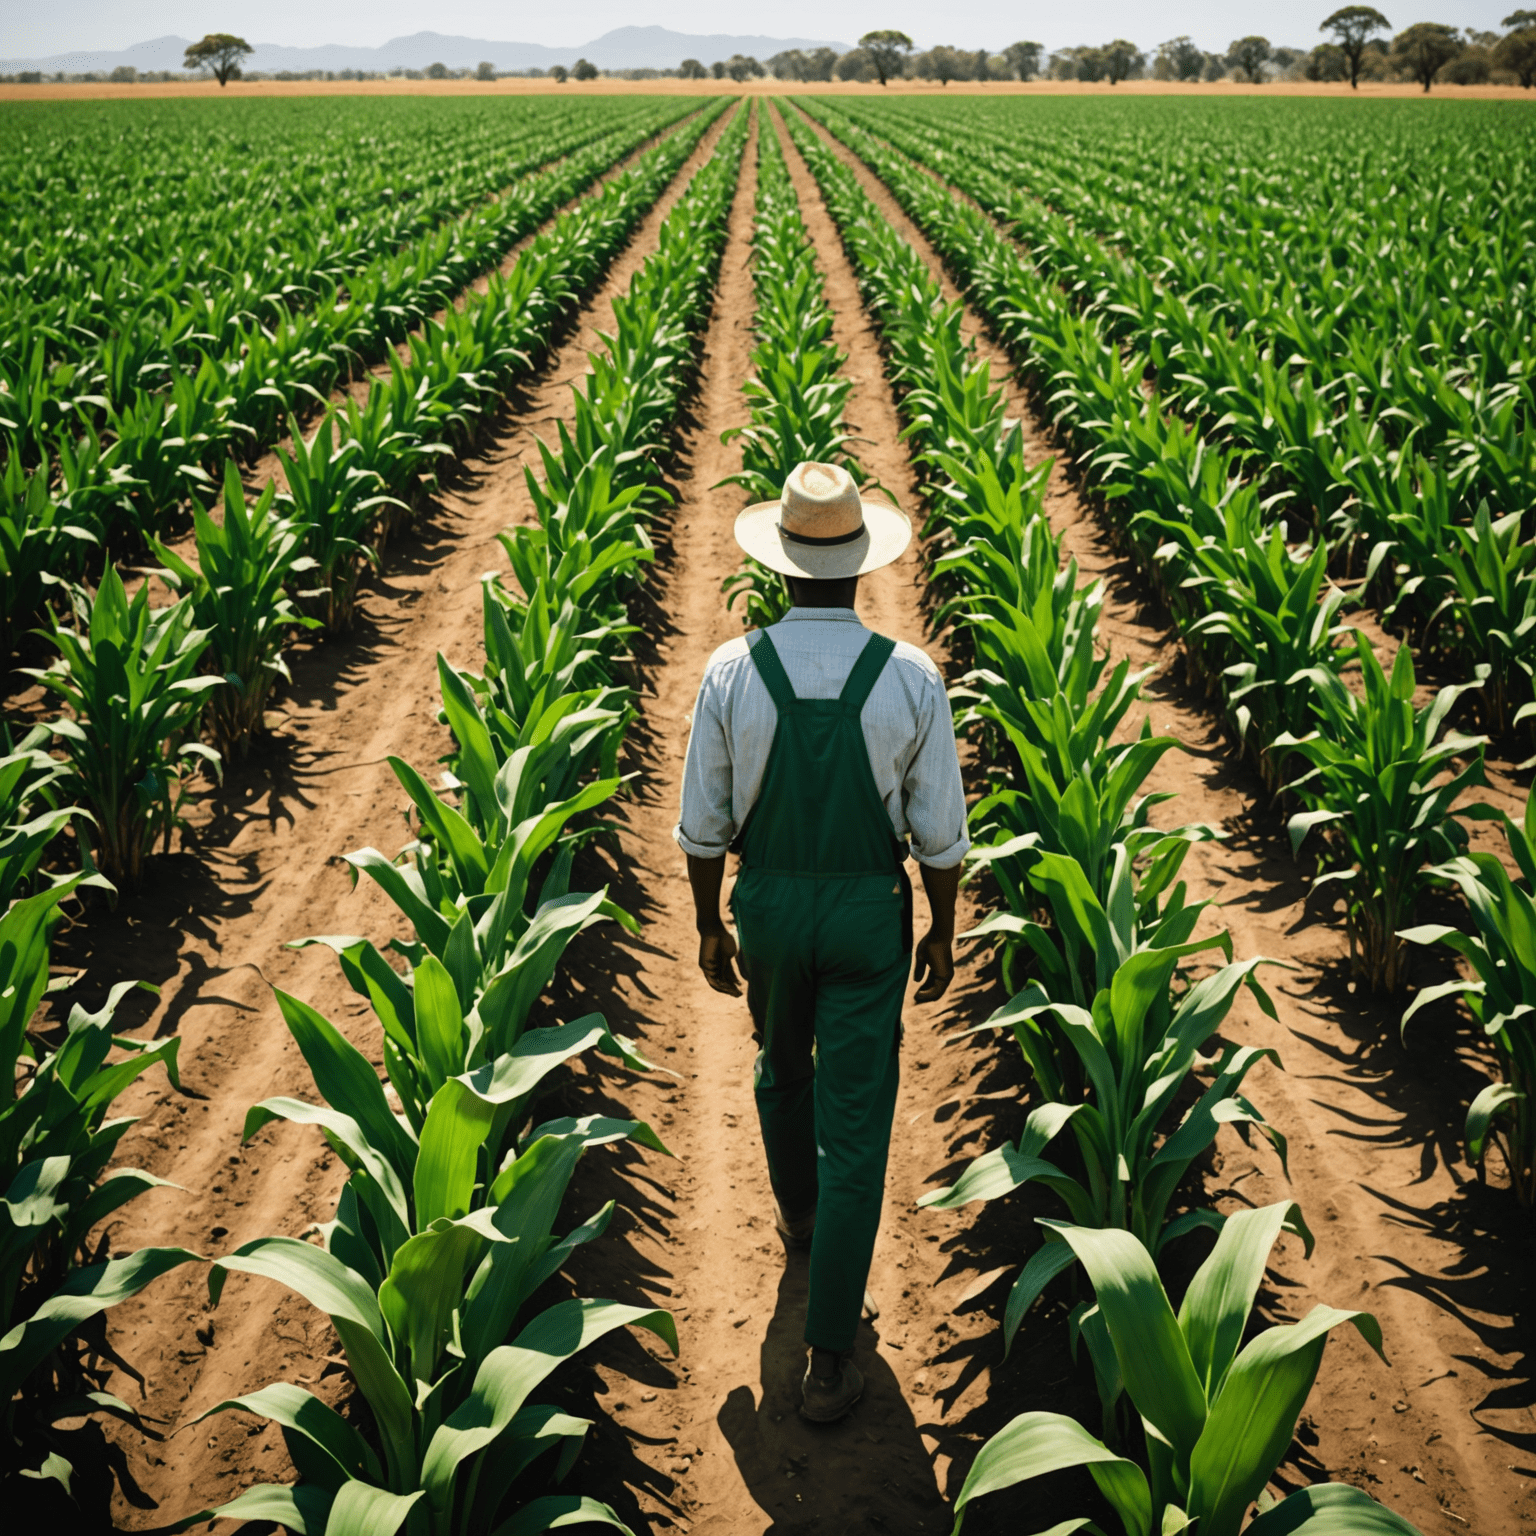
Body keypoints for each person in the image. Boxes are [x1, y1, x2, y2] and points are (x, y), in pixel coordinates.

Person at [675, 461, 968, 1423]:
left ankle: (798, 1218)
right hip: (863, 915)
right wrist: (941, 932)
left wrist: (712, 923)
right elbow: (941, 832)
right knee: (859, 1123)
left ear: (784, 566)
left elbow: (703, 823)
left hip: (767, 905)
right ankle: (830, 1354)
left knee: (777, 1064)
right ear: (859, 568)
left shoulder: (730, 670)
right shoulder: (910, 675)